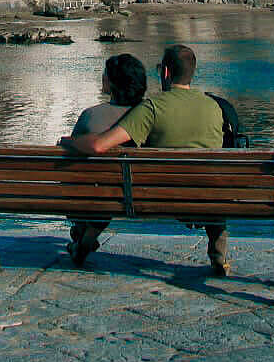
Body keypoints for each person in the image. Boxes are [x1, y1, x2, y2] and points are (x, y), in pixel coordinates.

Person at [62, 44, 230, 276]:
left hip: (158, 196)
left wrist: (67, 142)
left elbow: (99, 145)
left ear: (166, 73)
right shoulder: (214, 107)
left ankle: (83, 240)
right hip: (208, 197)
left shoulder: (152, 108)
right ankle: (218, 256)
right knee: (208, 180)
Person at [63, 54, 147, 265]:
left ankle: (84, 232)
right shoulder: (149, 116)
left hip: (91, 194)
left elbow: (69, 160)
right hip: (139, 195)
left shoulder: (91, 116)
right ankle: (86, 235)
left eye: (105, 74)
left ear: (112, 83)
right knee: (110, 188)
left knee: (95, 185)